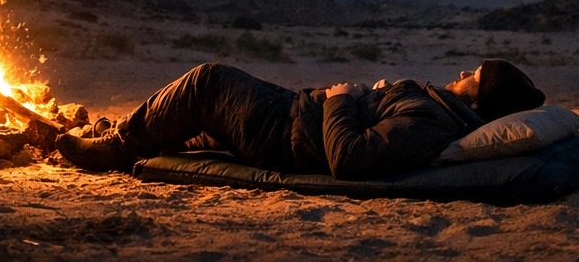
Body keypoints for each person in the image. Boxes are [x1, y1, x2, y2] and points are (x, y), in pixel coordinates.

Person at [57, 58, 545, 178]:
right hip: (293, 115)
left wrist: (340, 100)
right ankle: (115, 132)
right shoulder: (439, 107)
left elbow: (350, 159)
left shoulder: (433, 122)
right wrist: (372, 96)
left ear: (480, 101)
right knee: (198, 117)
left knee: (208, 81)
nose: (462, 71)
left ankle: (114, 149)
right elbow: (383, 121)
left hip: (286, 132)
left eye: (474, 75)